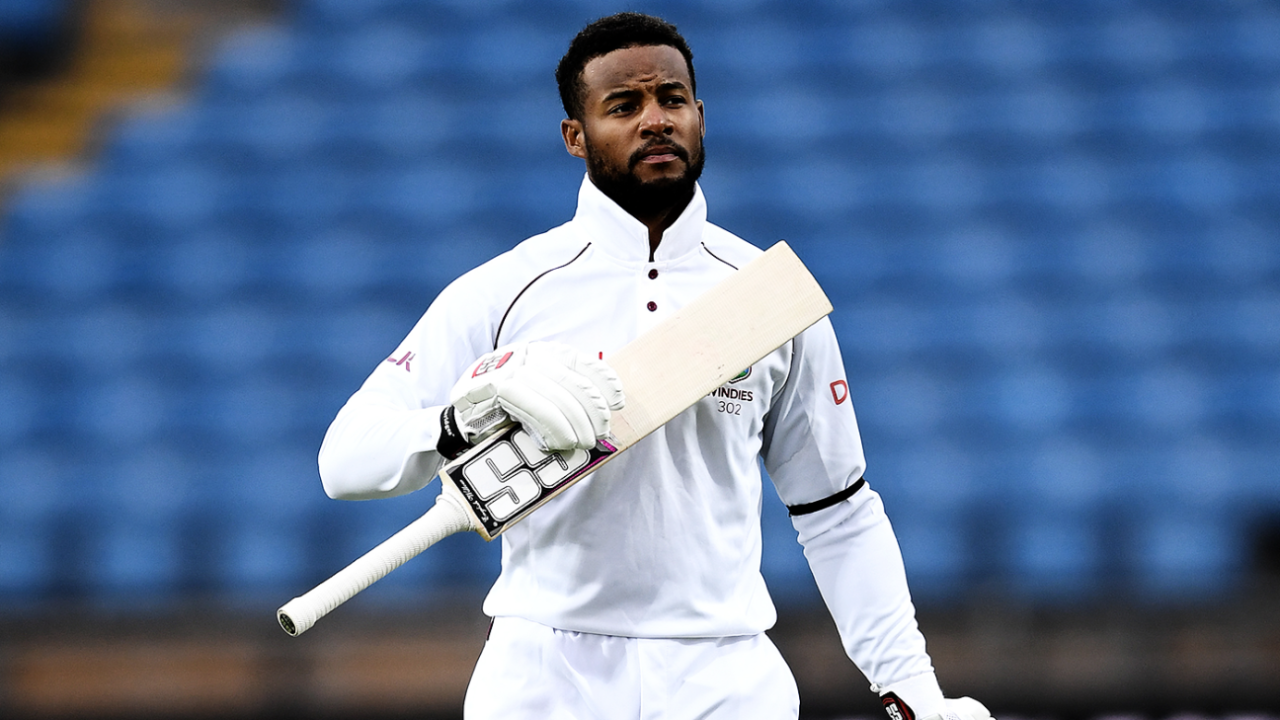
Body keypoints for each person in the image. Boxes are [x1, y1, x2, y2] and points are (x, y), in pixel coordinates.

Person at [318, 12, 993, 720]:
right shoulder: (504, 291)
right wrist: (463, 418)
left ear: (700, 115)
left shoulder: (770, 296)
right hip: (544, 672)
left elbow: (837, 510)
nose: (655, 121)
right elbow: (345, 460)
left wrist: (911, 686)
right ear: (573, 137)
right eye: (623, 106)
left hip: (729, 675)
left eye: (671, 100)